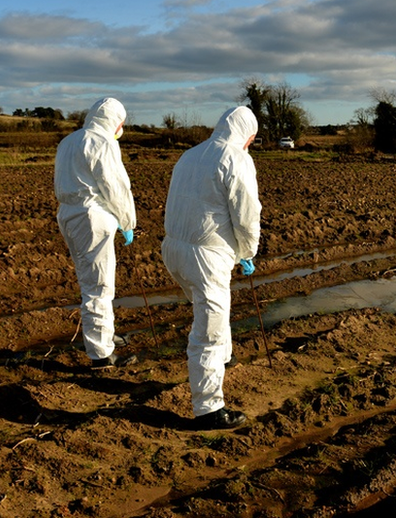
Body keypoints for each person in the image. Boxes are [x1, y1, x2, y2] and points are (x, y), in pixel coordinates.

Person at [162, 106, 261, 430]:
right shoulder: (235, 158)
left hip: (175, 249)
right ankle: (209, 408)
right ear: (246, 134)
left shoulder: (190, 155)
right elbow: (246, 213)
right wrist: (247, 251)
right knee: (209, 331)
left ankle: (224, 357)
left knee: (211, 309)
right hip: (207, 255)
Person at [55, 97, 138, 368]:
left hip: (69, 214)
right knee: (99, 286)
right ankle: (101, 354)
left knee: (89, 278)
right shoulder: (102, 142)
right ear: (115, 121)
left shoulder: (68, 141)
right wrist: (128, 221)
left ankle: (104, 334)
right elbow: (115, 187)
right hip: (92, 217)